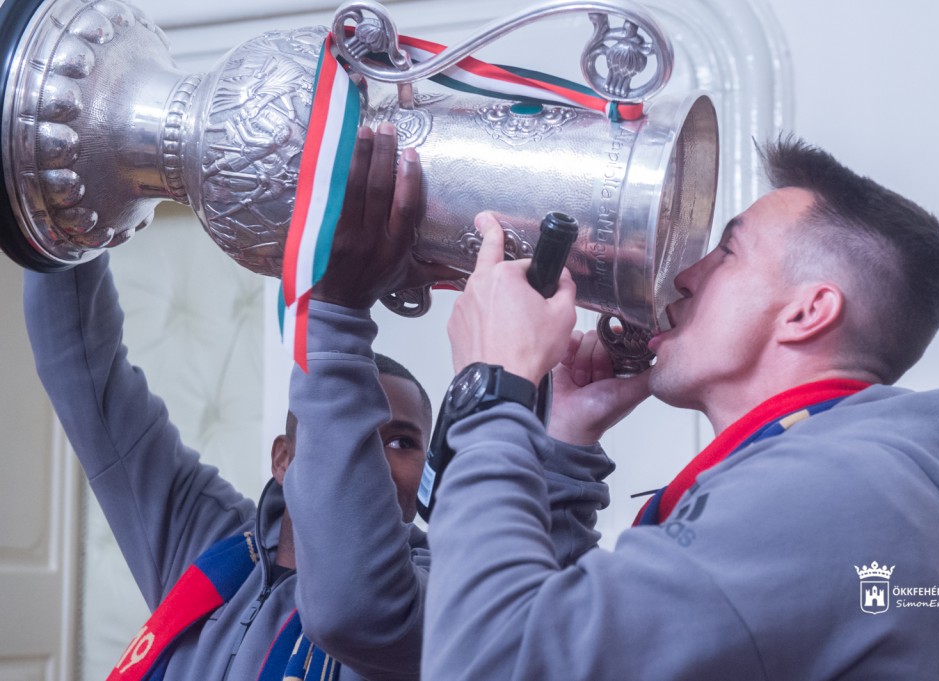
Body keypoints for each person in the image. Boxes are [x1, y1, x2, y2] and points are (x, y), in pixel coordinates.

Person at [23, 122, 613, 680]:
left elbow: (523, 610)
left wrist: (566, 447)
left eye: (402, 442)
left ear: (429, 477)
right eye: (348, 431)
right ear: (283, 458)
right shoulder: (203, 539)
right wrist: (57, 192)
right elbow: (81, 369)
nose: (370, 457)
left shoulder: (445, 599)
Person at [423, 136, 939, 679]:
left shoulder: (829, 495)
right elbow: (573, 644)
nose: (686, 276)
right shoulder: (861, 487)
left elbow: (490, 662)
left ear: (807, 312)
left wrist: (494, 383)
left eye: (727, 252)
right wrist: (563, 449)